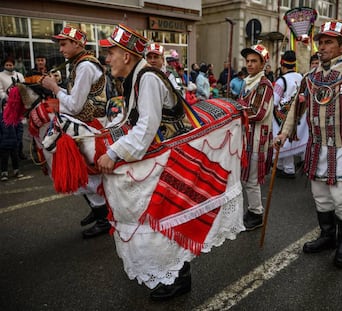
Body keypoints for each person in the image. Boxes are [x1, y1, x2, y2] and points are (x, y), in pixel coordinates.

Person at [97, 23, 242, 301]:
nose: (108, 58)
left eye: (112, 52)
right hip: (161, 154)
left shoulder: (148, 79)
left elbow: (146, 128)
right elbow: (131, 121)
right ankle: (169, 272)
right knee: (162, 216)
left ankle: (180, 278)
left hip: (173, 156)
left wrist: (113, 153)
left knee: (168, 216)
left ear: (127, 55)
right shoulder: (134, 79)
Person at [275, 20, 342, 269]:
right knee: (320, 197)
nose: (322, 46)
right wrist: (283, 134)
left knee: (341, 199)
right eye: (320, 41)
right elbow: (295, 110)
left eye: (329, 41)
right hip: (317, 147)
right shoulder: (310, 77)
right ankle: (328, 236)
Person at [40, 25, 110, 239]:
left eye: (63, 44)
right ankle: (98, 210)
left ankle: (103, 217)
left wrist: (54, 88)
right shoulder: (81, 63)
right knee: (84, 173)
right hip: (87, 124)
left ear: (78, 44)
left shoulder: (85, 66)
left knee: (88, 176)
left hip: (90, 127)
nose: (60, 49)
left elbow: (76, 106)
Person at [238, 44, 274, 230]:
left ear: (263, 63)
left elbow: (257, 113)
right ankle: (253, 209)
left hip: (258, 138)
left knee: (251, 180)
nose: (250, 64)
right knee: (246, 178)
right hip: (247, 137)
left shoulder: (263, 85)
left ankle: (256, 213)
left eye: (254, 61)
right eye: (248, 61)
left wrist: (234, 113)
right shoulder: (248, 81)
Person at [272, 50, 305, 179]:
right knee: (293, 139)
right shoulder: (301, 77)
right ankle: (281, 166)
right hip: (299, 113)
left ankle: (288, 169)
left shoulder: (281, 81)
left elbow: (275, 101)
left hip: (283, 115)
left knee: (282, 140)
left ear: (282, 65)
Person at [0, 57, 26, 161]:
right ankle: (8, 156)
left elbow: (24, 89)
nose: (9, 67)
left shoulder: (19, 75)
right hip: (7, 108)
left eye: (11, 65)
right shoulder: (1, 76)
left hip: (19, 108)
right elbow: (0, 92)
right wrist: (11, 98)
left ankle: (19, 152)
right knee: (9, 133)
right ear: (4, 65)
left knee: (20, 132)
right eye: (7, 65)